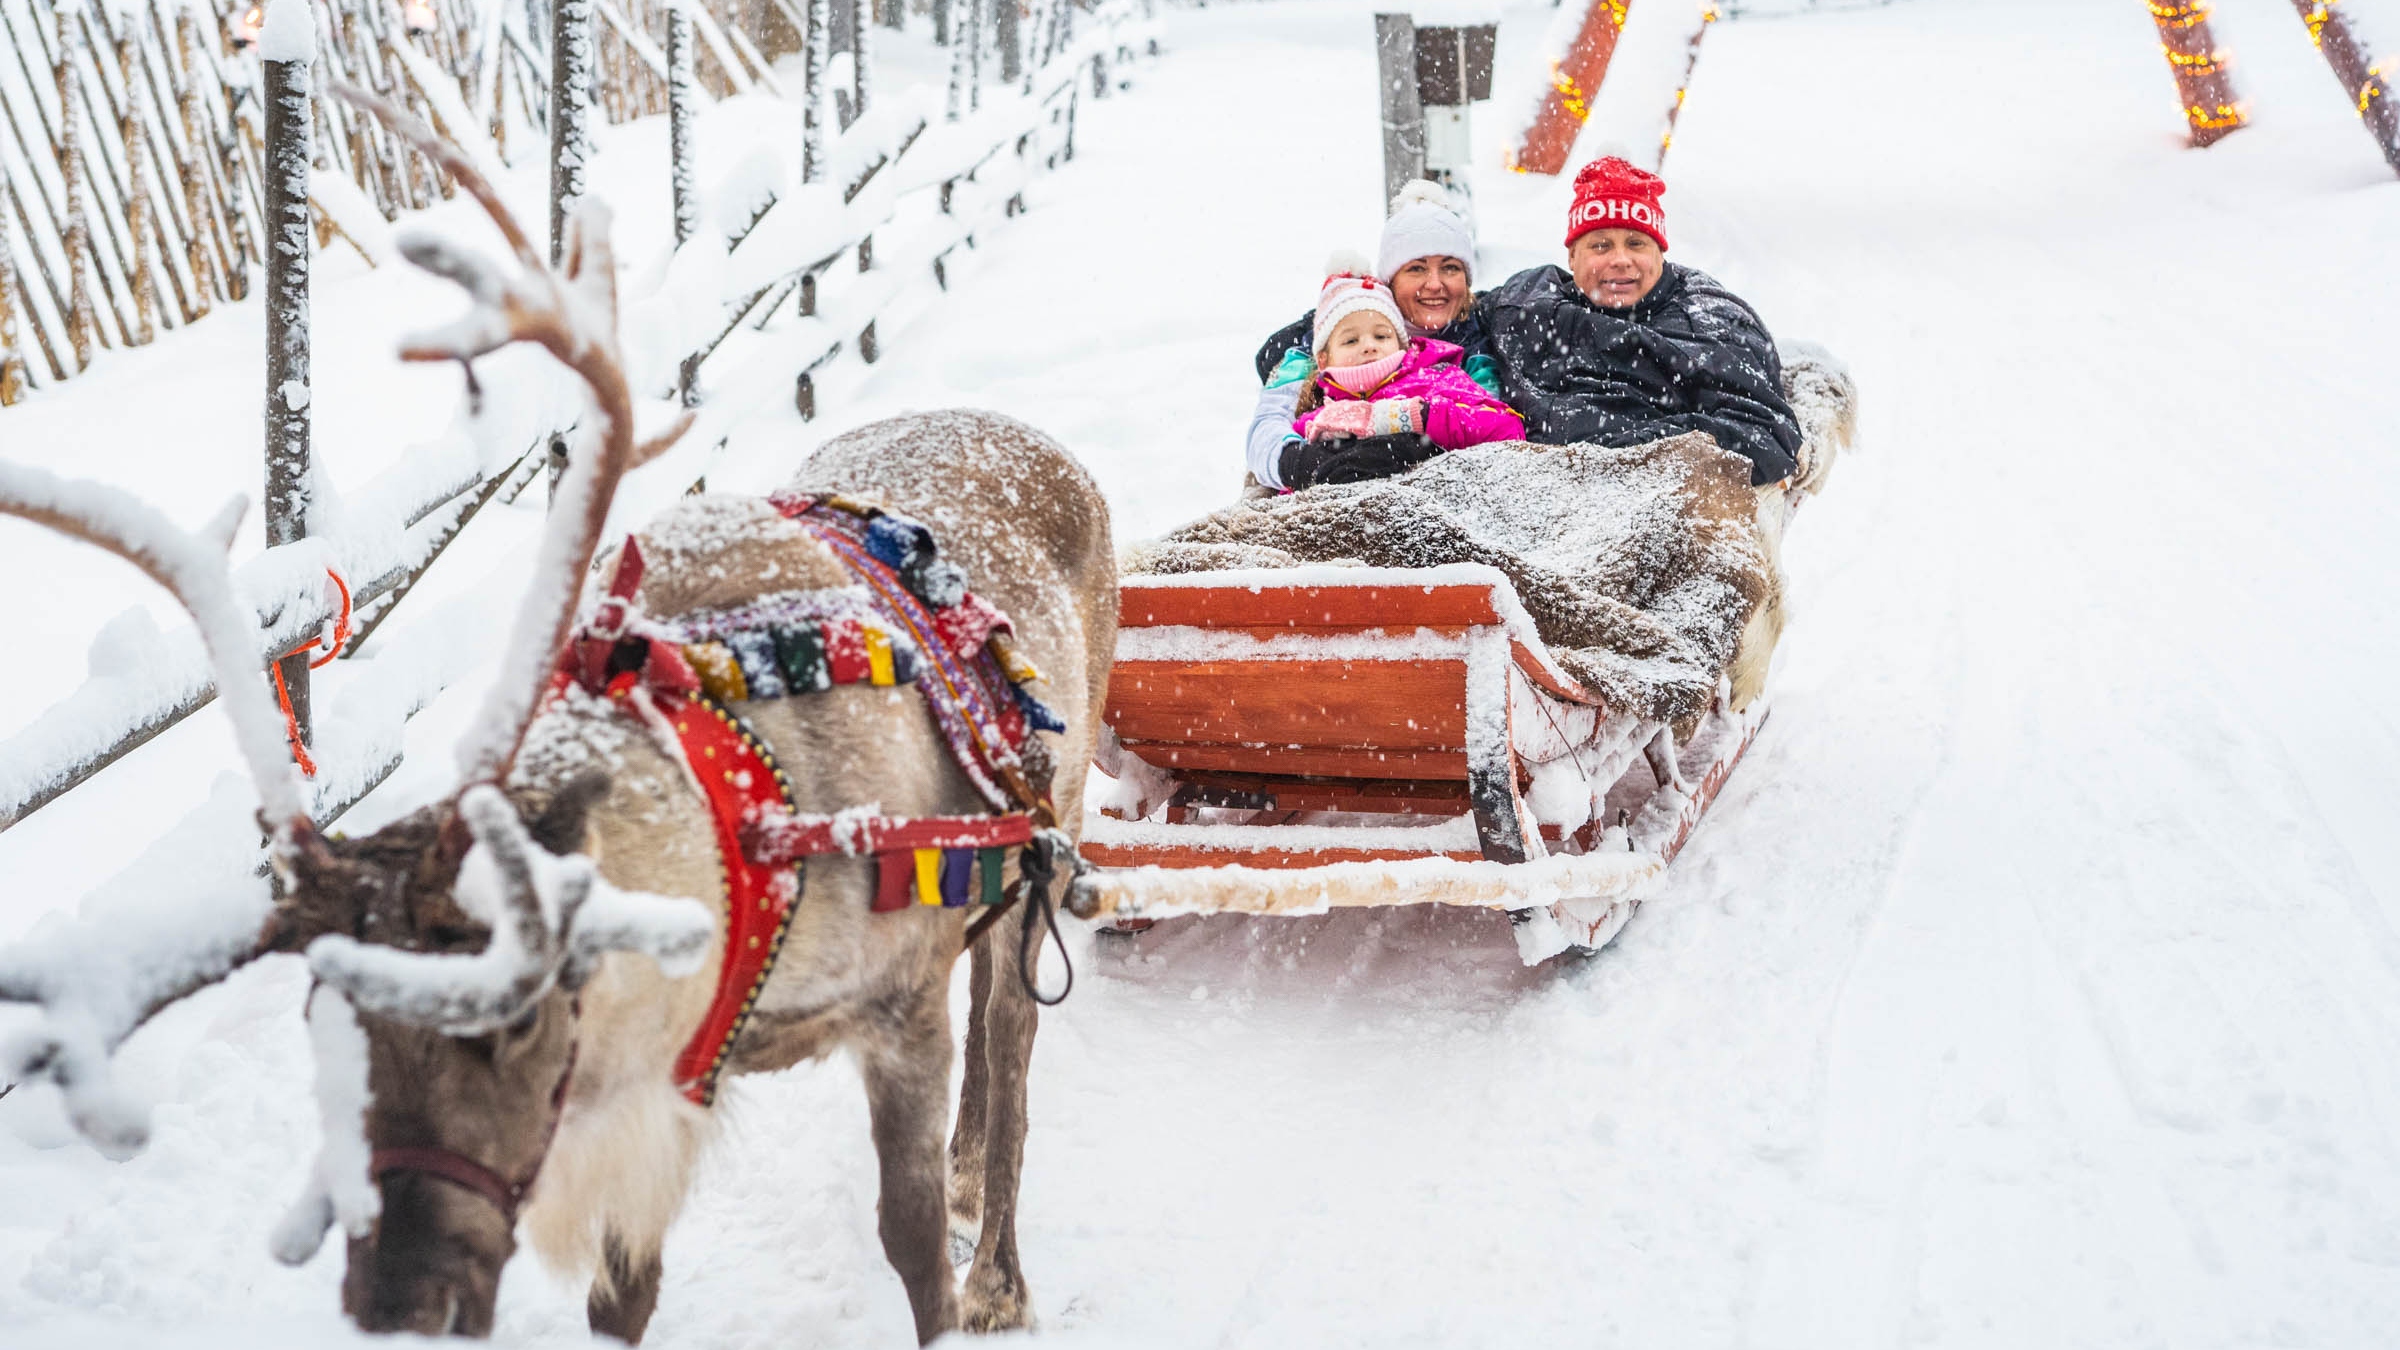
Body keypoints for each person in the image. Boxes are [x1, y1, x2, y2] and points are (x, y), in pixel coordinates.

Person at [1483, 156, 1803, 486]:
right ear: (1572, 257)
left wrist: (1622, 453)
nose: (1620, 260)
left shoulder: (1708, 323)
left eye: (1636, 243)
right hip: (1521, 494)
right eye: (1600, 245)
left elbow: (1766, 437)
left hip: (1646, 504)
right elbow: (1452, 320)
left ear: (1659, 253)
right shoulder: (1530, 301)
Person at [1250, 261, 1527, 489]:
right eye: (1350, 341)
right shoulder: (1317, 421)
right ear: (1323, 359)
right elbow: (1282, 480)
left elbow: (1508, 430)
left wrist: (1420, 418)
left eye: (1381, 335)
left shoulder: (1437, 380)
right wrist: (1311, 463)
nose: (1369, 345)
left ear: (1402, 343)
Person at [1251, 179, 1492, 387]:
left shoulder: (1485, 334)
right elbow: (1277, 393)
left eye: (1450, 268)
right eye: (1416, 269)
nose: (1434, 284)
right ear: (1389, 281)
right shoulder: (1345, 327)